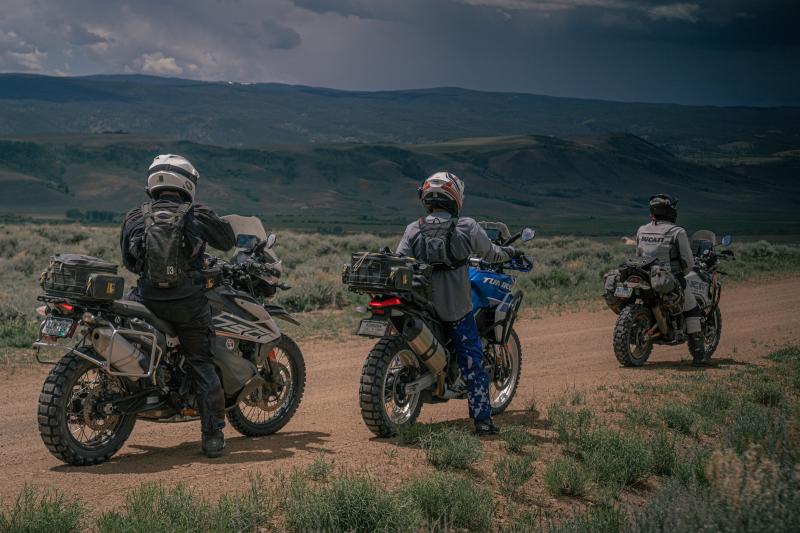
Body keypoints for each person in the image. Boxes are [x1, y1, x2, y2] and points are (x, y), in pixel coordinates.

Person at [120, 154, 236, 457]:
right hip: (187, 304)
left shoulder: (135, 215)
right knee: (201, 362)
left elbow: (129, 262)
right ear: (187, 183)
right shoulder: (197, 213)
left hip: (145, 300)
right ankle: (212, 436)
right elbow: (227, 241)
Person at [396, 171, 520, 435]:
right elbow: (491, 253)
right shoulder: (467, 226)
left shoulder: (413, 228)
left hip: (423, 308)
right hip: (455, 311)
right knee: (474, 362)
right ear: (455, 196)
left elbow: (400, 261)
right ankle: (483, 422)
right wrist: (510, 252)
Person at [635, 194, 706, 364]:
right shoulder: (677, 232)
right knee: (692, 308)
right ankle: (699, 354)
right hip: (668, 279)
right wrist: (685, 271)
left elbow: (638, 255)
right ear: (670, 211)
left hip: (645, 276)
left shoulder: (642, 230)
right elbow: (688, 261)